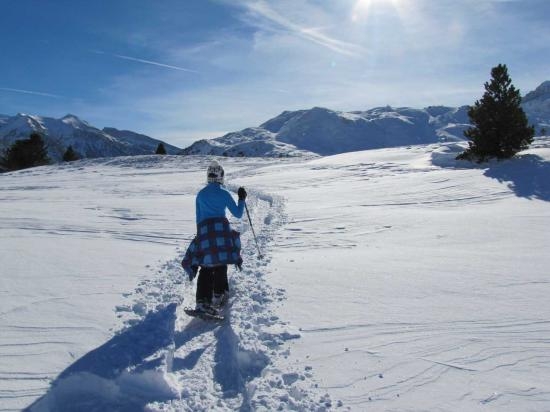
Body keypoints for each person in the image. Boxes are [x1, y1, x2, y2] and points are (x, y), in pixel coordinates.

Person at [182, 160, 247, 316]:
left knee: (206, 266)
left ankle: (202, 302)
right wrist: (242, 199)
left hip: (205, 231)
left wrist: (201, 237)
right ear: (220, 177)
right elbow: (238, 214)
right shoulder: (224, 193)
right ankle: (219, 293)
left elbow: (198, 218)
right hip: (222, 231)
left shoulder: (201, 194)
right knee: (220, 262)